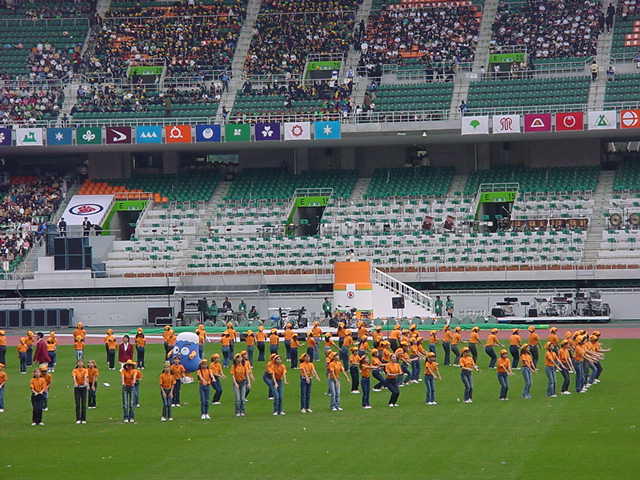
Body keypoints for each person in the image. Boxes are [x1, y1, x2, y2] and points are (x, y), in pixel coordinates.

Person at [72, 359, 89, 424]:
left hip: (84, 388)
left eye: (81, 362)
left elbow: (85, 376)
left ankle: (83, 419)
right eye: (79, 363)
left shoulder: (85, 370)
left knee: (83, 404)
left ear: (83, 364)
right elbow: (74, 377)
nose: (80, 364)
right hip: (77, 388)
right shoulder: (75, 370)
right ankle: (78, 419)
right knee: (77, 404)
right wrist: (75, 382)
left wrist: (85, 382)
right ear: (77, 364)